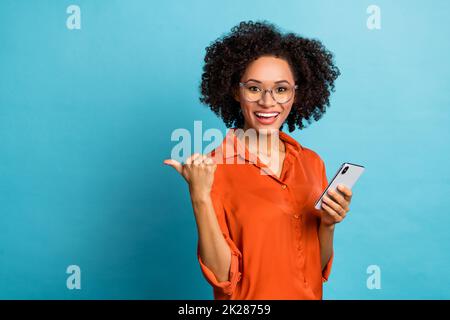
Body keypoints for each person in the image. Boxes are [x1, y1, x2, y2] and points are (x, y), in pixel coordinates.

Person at [164, 20, 353, 300]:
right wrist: (200, 196)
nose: (268, 101)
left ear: (296, 94)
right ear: (235, 91)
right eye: (254, 88)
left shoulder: (312, 163)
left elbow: (317, 267)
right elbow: (222, 278)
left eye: (280, 89)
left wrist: (328, 224)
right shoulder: (214, 167)